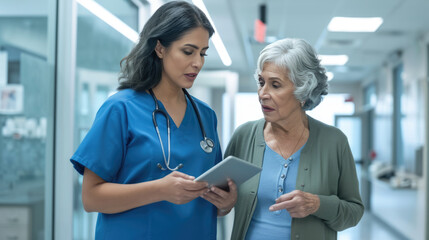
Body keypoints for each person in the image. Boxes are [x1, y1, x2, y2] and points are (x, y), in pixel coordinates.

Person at [70, 1, 237, 239]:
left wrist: (226, 202)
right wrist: (159, 190)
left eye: (202, 53)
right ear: (160, 48)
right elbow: (91, 197)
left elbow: (211, 198)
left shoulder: (205, 116)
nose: (198, 63)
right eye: (188, 51)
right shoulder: (120, 109)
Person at [225, 38, 364, 240]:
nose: (263, 93)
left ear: (303, 92)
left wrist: (317, 204)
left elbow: (354, 212)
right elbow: (219, 202)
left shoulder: (334, 142)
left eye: (275, 85)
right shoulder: (244, 136)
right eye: (261, 82)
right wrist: (224, 203)